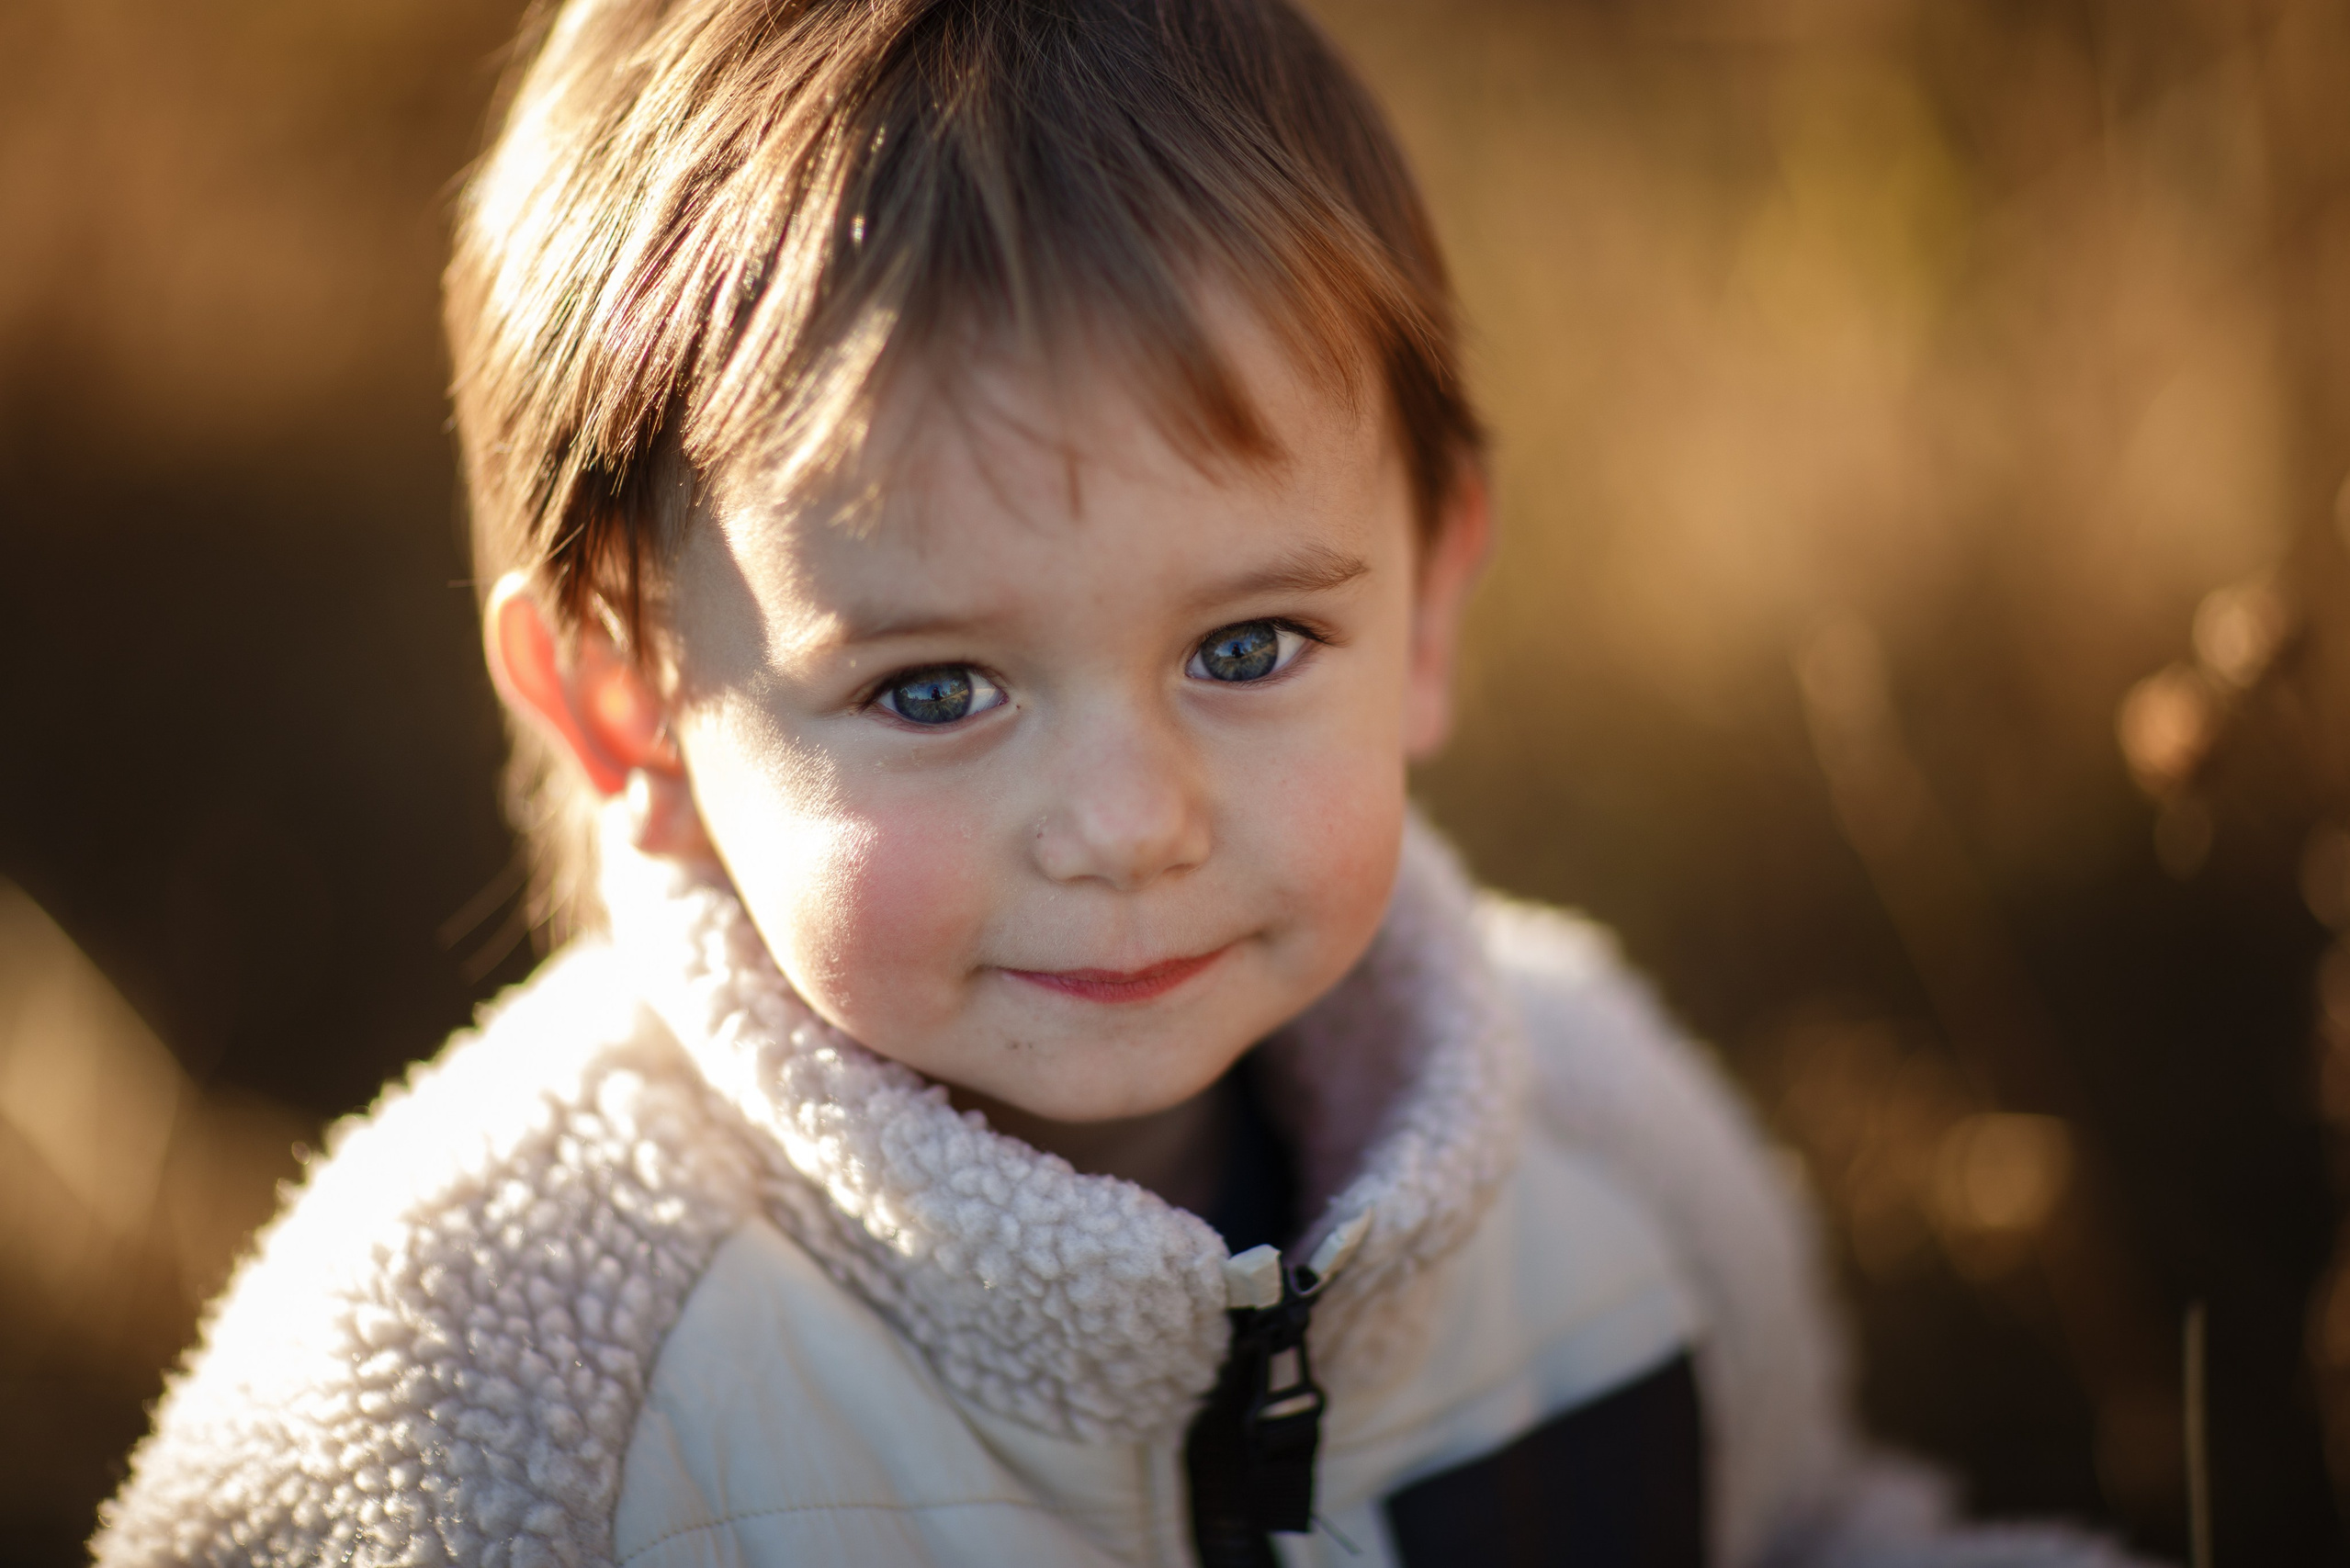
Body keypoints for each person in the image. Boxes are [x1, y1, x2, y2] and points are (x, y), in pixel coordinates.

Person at [93, 1, 2152, 1563]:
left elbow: (1799, 1530)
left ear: (1430, 605)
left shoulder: (1598, 1140)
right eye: (936, 688)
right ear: (629, 716)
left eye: (1246, 648)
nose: (1131, 818)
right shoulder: (486, 1369)